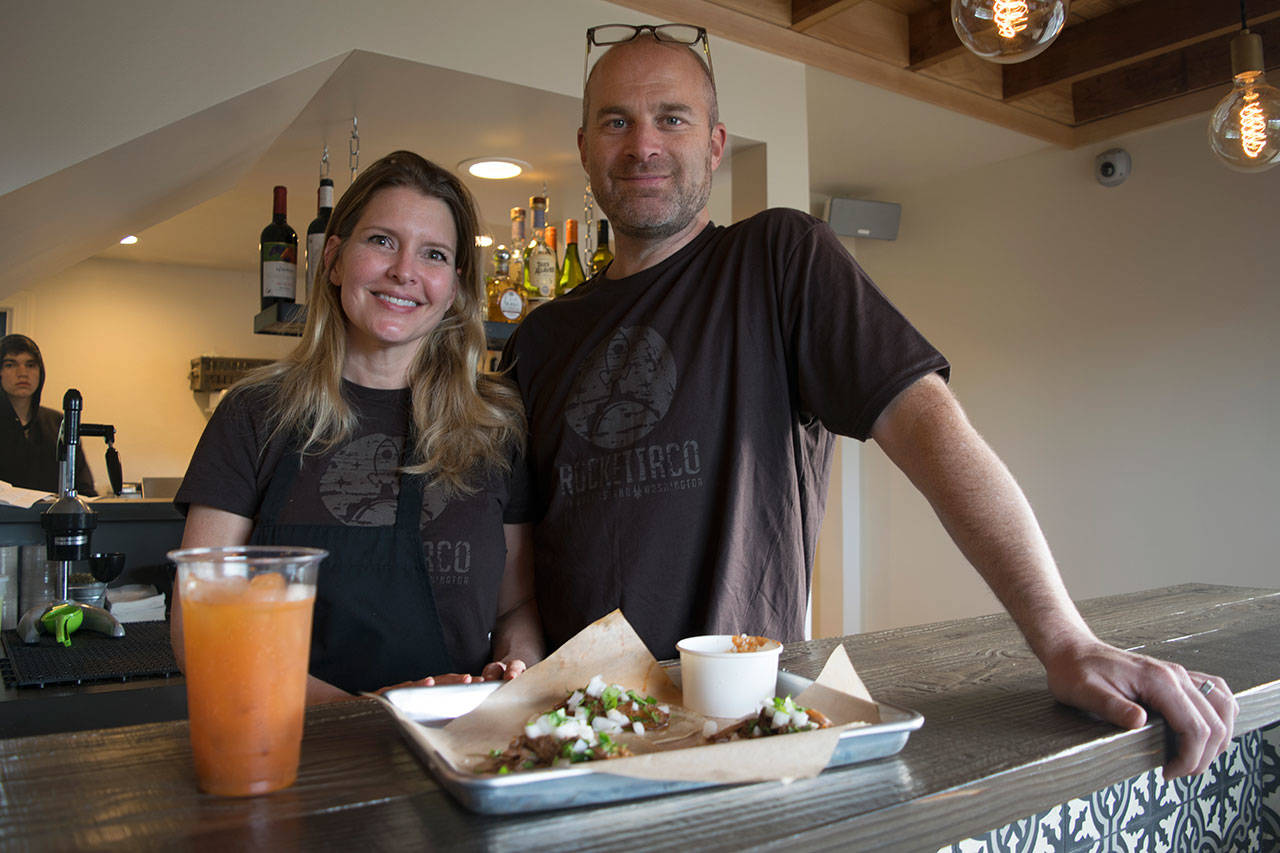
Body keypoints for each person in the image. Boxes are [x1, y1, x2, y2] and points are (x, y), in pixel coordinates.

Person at [499, 26, 1237, 778]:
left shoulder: (776, 260)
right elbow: (521, 578)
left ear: (716, 144)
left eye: (672, 118)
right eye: (616, 121)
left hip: (741, 736)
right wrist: (512, 676)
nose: (643, 144)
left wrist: (1064, 638)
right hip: (575, 747)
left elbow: (928, 426)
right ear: (585, 146)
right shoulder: (537, 340)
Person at [174, 151, 541, 704]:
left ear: (455, 286)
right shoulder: (255, 413)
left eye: (433, 254)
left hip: (459, 751)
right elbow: (198, 632)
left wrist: (514, 667)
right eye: (382, 241)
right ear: (335, 259)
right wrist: (374, 715)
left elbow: (516, 607)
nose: (405, 272)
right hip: (297, 753)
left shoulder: (493, 425)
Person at [1, 333, 97, 496]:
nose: (22, 373)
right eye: (11, 365)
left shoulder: (58, 422)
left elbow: (83, 486)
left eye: (30, 365)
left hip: (54, 517)